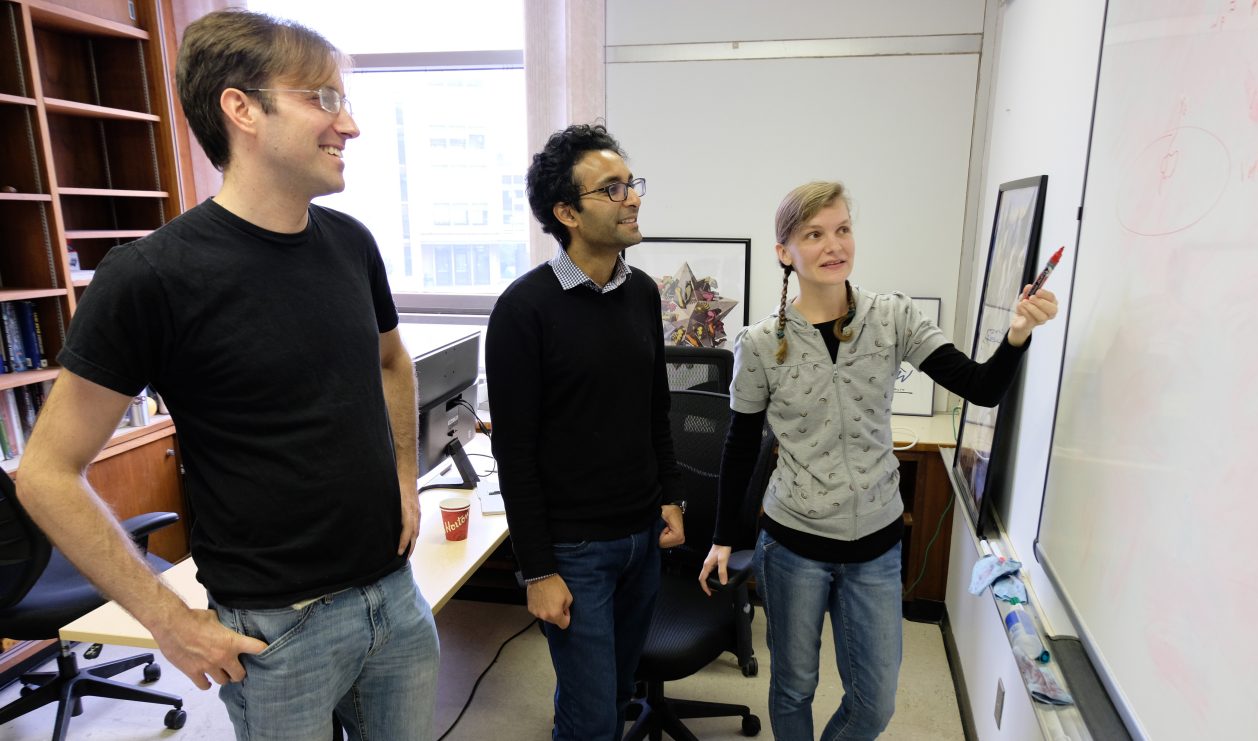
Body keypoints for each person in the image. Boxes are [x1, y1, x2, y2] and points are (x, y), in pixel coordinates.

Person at [15, 10, 438, 740]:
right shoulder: (151, 276)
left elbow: (392, 360)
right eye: (325, 99)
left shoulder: (349, 243)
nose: (351, 125)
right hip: (279, 631)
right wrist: (169, 621)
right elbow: (45, 471)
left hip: (395, 598)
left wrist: (404, 475)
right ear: (241, 108)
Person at [698, 181, 1058, 740]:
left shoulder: (893, 318)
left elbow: (981, 388)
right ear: (784, 252)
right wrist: (724, 536)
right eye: (814, 234)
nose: (833, 244)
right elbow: (739, 446)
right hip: (793, 543)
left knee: (875, 703)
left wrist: (1016, 335)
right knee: (793, 687)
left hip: (876, 545)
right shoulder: (762, 342)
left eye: (842, 229)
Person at [485, 123, 686, 740]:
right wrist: (537, 570)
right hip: (575, 553)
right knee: (593, 721)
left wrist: (670, 496)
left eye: (631, 184)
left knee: (614, 694)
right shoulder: (524, 310)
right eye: (612, 189)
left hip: (641, 537)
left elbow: (656, 406)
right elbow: (512, 452)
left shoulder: (644, 292)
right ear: (567, 212)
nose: (633, 198)